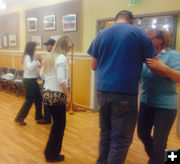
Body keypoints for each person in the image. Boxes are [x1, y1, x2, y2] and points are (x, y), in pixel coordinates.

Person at [87, 10, 157, 164]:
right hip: (125, 92)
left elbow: (93, 66)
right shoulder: (139, 34)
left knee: (106, 134)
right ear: (131, 21)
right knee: (121, 140)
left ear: (115, 20)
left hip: (102, 91)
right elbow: (154, 64)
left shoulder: (101, 34)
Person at [137, 28, 180, 164]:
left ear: (160, 40)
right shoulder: (145, 57)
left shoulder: (173, 55)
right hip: (146, 103)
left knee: (159, 143)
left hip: (165, 106)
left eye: (148, 38)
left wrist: (163, 68)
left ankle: (158, 158)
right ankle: (162, 158)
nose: (145, 41)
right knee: (142, 133)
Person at [40, 35, 72, 162]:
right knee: (59, 127)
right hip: (57, 95)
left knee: (56, 126)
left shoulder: (49, 57)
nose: (69, 50)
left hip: (47, 93)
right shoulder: (61, 58)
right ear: (64, 46)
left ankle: (49, 153)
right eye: (69, 47)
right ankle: (52, 155)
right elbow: (61, 80)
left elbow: (42, 74)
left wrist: (49, 79)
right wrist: (68, 95)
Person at [15, 41, 43, 126]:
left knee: (39, 98)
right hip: (29, 80)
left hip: (33, 80)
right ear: (31, 48)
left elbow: (39, 65)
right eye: (35, 47)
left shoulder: (32, 56)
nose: (36, 49)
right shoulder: (26, 56)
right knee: (29, 100)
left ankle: (39, 116)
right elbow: (30, 68)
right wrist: (35, 60)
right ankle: (19, 118)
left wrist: (40, 60)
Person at [37, 39, 56, 124]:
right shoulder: (59, 56)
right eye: (47, 45)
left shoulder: (48, 58)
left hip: (48, 82)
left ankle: (47, 119)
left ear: (53, 46)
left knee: (46, 101)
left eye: (50, 45)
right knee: (53, 101)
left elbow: (42, 74)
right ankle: (53, 118)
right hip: (55, 82)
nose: (48, 46)